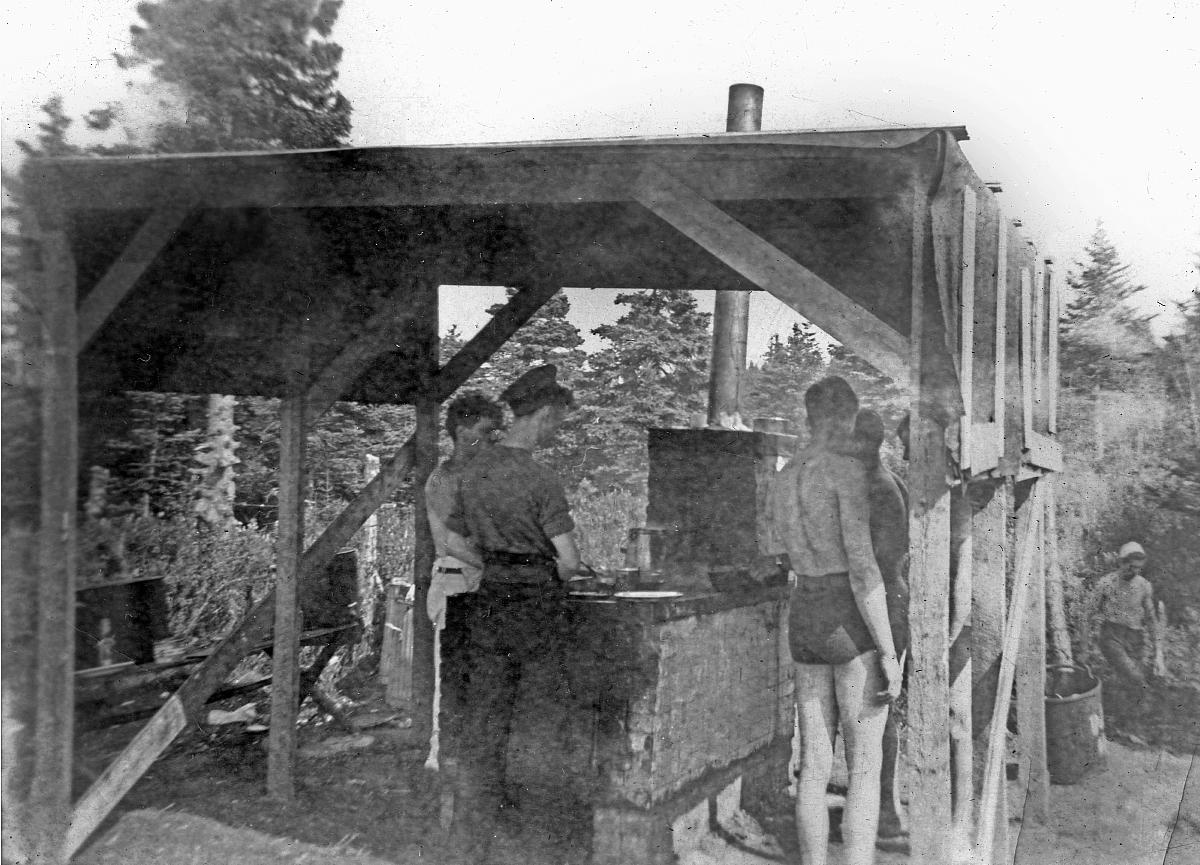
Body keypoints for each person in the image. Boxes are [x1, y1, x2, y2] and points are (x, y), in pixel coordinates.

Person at [440, 364, 581, 863]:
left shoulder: (473, 470)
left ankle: (468, 845)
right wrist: (549, 573)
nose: (554, 432)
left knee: (484, 724)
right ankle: (536, 847)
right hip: (536, 610)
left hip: (489, 604)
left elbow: (455, 541)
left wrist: (495, 566)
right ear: (541, 415)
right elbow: (568, 562)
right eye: (556, 423)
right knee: (537, 723)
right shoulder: (542, 479)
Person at [772, 377, 902, 865]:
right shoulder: (845, 473)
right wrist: (889, 652)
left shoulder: (787, 475)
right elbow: (864, 570)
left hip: (804, 610)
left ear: (809, 417)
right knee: (865, 766)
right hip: (846, 614)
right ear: (846, 417)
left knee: (814, 765)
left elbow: (781, 552)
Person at [422, 391, 504, 771]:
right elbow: (450, 542)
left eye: (495, 434)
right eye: (485, 432)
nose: (491, 440)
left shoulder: (483, 477)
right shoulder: (443, 479)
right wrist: (501, 564)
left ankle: (474, 763)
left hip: (482, 585)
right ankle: (440, 762)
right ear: (460, 430)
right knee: (451, 682)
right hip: (456, 584)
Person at [846, 409, 910, 847]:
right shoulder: (881, 482)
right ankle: (878, 806)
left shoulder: (877, 487)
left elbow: (879, 563)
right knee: (876, 711)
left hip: (885, 604)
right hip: (884, 602)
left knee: (877, 709)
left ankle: (883, 812)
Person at [1095, 541, 1165, 691]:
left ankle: (1128, 711)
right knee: (1137, 679)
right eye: (1130, 566)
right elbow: (1086, 615)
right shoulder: (1105, 584)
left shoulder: (1144, 586)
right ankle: (1148, 700)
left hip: (1136, 638)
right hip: (1112, 637)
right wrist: (1082, 648)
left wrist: (1158, 653)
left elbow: (1151, 620)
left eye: (1138, 568)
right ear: (1120, 562)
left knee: (1129, 685)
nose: (1133, 571)